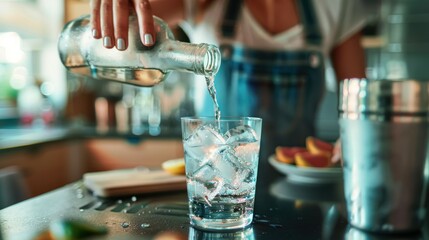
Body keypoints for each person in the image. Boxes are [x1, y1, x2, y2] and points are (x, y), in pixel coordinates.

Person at [89, 0, 374, 162]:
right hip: (214, 189)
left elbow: (361, 110)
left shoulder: (338, 6)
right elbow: (134, 18)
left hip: (301, 190)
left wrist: (349, 146)